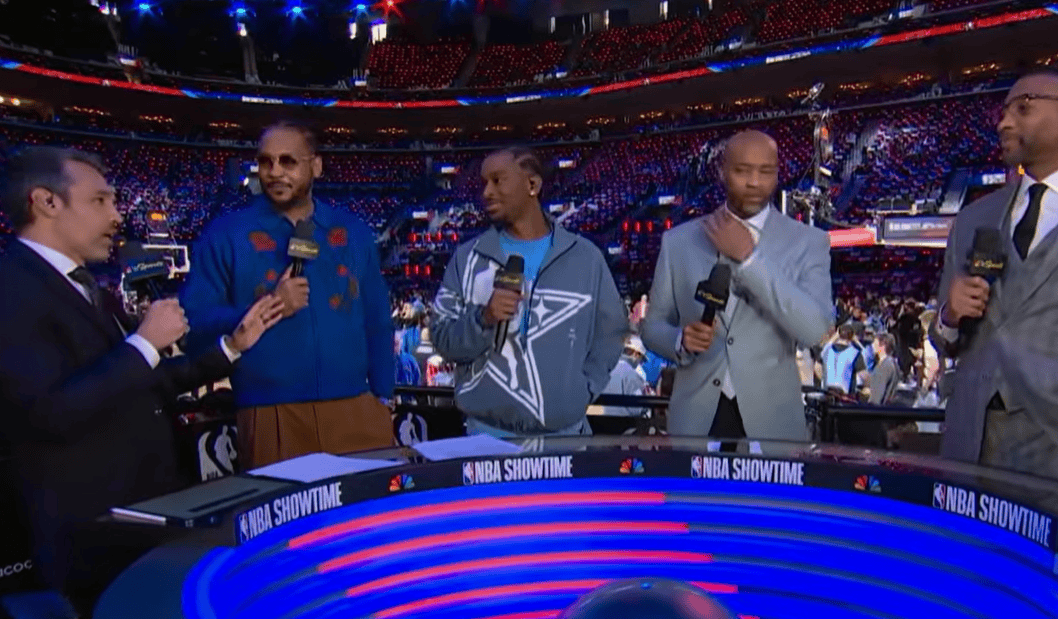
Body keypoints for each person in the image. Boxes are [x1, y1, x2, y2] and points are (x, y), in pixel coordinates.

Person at [0, 146, 281, 615]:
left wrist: (231, 347)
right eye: (100, 201)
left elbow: (138, 383)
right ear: (46, 202)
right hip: (88, 531)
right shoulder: (11, 287)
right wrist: (145, 343)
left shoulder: (84, 285)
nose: (117, 216)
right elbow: (48, 415)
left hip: (138, 514)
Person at [182, 120, 396, 468]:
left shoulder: (353, 232)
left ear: (316, 166)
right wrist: (270, 306)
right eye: (265, 162)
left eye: (288, 161)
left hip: (358, 409)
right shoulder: (225, 235)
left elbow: (377, 318)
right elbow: (194, 324)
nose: (275, 172)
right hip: (271, 414)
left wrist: (383, 396)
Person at [642, 130, 833, 443]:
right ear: (721, 171)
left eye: (766, 171)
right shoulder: (678, 242)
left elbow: (815, 330)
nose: (754, 182)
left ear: (778, 173)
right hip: (695, 422)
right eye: (742, 171)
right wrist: (680, 341)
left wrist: (750, 261)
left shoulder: (809, 242)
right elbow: (652, 327)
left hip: (773, 425)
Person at [431, 146, 627, 437]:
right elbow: (442, 338)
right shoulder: (467, 258)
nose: (486, 192)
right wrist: (484, 319)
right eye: (484, 183)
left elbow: (611, 332)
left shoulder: (586, 258)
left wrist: (585, 387)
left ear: (532, 184)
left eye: (497, 181)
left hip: (566, 438)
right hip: (486, 438)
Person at [930, 70, 1058, 491]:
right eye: (1003, 112)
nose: (1004, 122)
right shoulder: (973, 218)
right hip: (972, 445)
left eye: (1023, 108)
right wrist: (949, 316)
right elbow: (944, 339)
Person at [601, 336, 651, 418]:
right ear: (636, 354)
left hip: (593, 419)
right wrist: (647, 402)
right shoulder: (632, 374)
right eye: (641, 358)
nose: (640, 362)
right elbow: (636, 409)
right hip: (619, 422)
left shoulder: (604, 367)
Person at [821, 324, 868, 397]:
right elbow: (863, 375)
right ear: (852, 336)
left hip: (825, 393)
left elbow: (817, 367)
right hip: (845, 397)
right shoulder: (855, 353)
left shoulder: (827, 350)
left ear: (838, 335)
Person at [867, 333, 900, 405]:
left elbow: (877, 396)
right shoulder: (892, 362)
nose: (873, 345)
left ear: (883, 345)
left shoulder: (884, 366)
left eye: (875, 343)